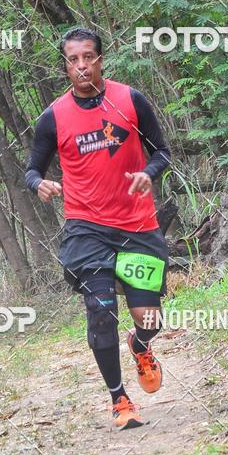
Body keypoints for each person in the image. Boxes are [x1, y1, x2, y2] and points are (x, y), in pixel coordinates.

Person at [26, 27, 171, 429]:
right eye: (73, 59)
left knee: (149, 318)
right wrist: (40, 185)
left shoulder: (130, 100)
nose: (81, 65)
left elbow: (162, 151)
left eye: (88, 57)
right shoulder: (53, 117)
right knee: (101, 312)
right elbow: (32, 169)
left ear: (101, 59)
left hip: (138, 225)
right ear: (66, 66)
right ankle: (119, 399)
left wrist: (148, 172)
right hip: (87, 230)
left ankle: (140, 346)